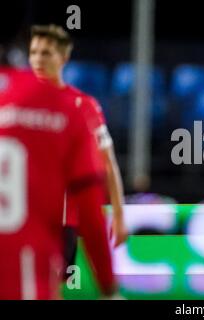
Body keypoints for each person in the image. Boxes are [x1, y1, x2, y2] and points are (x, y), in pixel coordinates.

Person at [0, 68, 116, 299]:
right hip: (30, 266)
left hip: (59, 222)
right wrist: (108, 287)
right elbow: (92, 204)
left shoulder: (78, 104)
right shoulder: (61, 108)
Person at [28, 25, 127, 274]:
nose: (38, 59)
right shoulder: (15, 102)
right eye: (34, 52)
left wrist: (118, 213)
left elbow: (108, 162)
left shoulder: (83, 105)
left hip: (62, 223)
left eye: (46, 53)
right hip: (19, 218)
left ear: (64, 58)